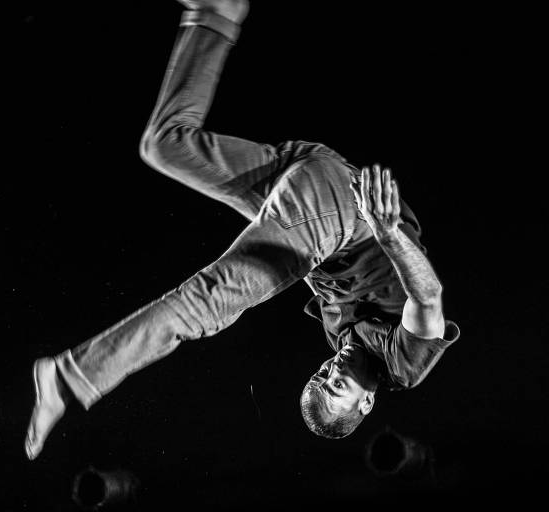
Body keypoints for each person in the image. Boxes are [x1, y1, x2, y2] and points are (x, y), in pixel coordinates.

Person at [24, 0, 459, 460]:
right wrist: (389, 235)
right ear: (366, 403)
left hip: (315, 182)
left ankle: (213, 16)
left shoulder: (339, 337)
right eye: (336, 387)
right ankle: (70, 375)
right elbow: (428, 296)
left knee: (166, 144)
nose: (330, 370)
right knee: (207, 304)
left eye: (320, 376)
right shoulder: (403, 364)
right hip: (341, 215)